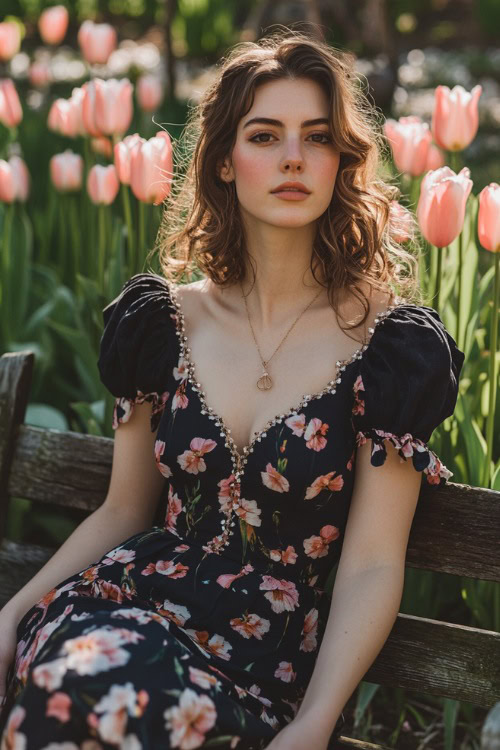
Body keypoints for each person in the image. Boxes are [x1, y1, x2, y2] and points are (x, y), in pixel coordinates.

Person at [0, 29, 465, 750]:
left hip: (263, 662)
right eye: (265, 134)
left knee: (96, 703)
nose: (292, 158)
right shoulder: (163, 322)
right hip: (124, 612)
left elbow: (374, 562)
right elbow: (123, 510)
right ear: (223, 160)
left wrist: (316, 720)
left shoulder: (391, 349)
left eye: (316, 137)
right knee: (84, 687)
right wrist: (11, 615)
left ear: (342, 159)